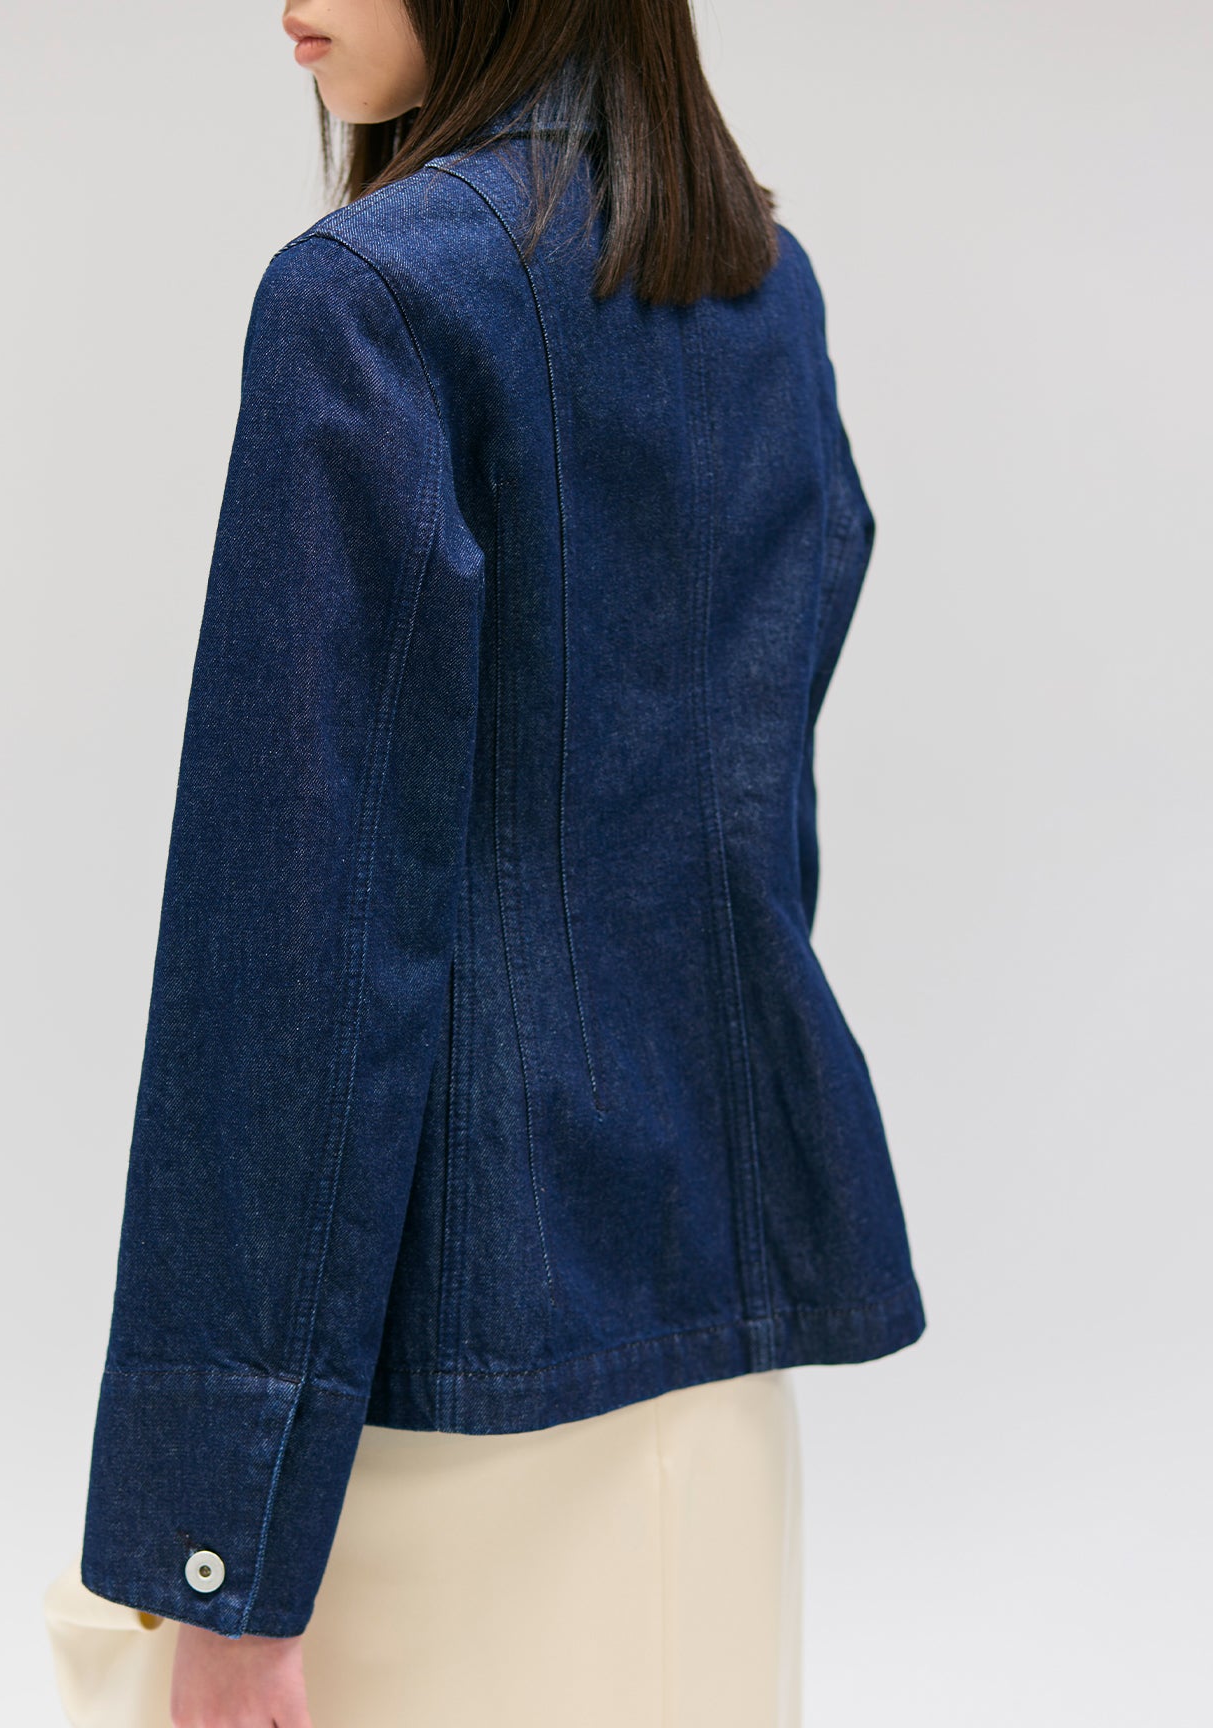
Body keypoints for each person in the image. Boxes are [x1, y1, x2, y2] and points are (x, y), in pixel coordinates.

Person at [52, 2, 926, 1724]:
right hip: (710, 1400)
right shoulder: (763, 288)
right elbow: (754, 819)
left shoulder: (368, 299)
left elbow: (297, 950)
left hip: (424, 1433)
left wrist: (220, 1555)